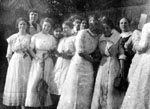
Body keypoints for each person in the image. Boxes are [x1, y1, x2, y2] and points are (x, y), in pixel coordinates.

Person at [57, 14, 102, 109]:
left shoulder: (97, 36)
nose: (94, 24)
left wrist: (95, 59)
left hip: (88, 66)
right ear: (89, 22)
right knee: (75, 88)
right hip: (79, 63)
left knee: (85, 90)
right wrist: (92, 60)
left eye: (96, 22)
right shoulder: (82, 33)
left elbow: (97, 50)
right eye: (92, 21)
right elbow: (80, 51)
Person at [91, 18, 126, 109]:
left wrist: (122, 70)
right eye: (104, 28)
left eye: (108, 28)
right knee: (101, 86)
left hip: (113, 63)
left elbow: (121, 53)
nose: (106, 30)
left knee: (111, 87)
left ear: (111, 28)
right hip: (103, 63)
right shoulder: (100, 38)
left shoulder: (118, 37)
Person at [25, 17, 57, 109]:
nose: (46, 27)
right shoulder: (35, 36)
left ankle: (44, 104)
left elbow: (53, 50)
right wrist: (37, 58)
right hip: (37, 60)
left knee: (46, 81)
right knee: (35, 80)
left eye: (49, 26)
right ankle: (34, 103)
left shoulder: (51, 38)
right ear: (42, 25)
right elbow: (30, 49)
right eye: (45, 25)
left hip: (48, 61)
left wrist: (47, 56)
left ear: (50, 28)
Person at [3, 17, 31, 109]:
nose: (22, 26)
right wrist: (10, 65)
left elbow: (31, 51)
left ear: (27, 26)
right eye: (20, 24)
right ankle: (16, 103)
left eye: (24, 24)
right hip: (15, 61)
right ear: (17, 26)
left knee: (25, 80)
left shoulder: (30, 37)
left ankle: (23, 103)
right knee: (16, 81)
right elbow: (8, 54)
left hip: (26, 60)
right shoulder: (13, 37)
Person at [121, 23, 150, 109]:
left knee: (142, 89)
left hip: (148, 59)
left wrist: (136, 44)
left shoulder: (148, 26)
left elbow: (143, 47)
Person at [50, 20, 75, 109]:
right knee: (56, 85)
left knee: (65, 87)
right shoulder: (61, 39)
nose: (63, 30)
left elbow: (75, 54)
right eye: (63, 28)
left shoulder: (74, 39)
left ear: (71, 29)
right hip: (59, 64)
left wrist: (65, 54)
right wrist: (56, 53)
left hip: (68, 65)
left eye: (66, 28)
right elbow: (58, 53)